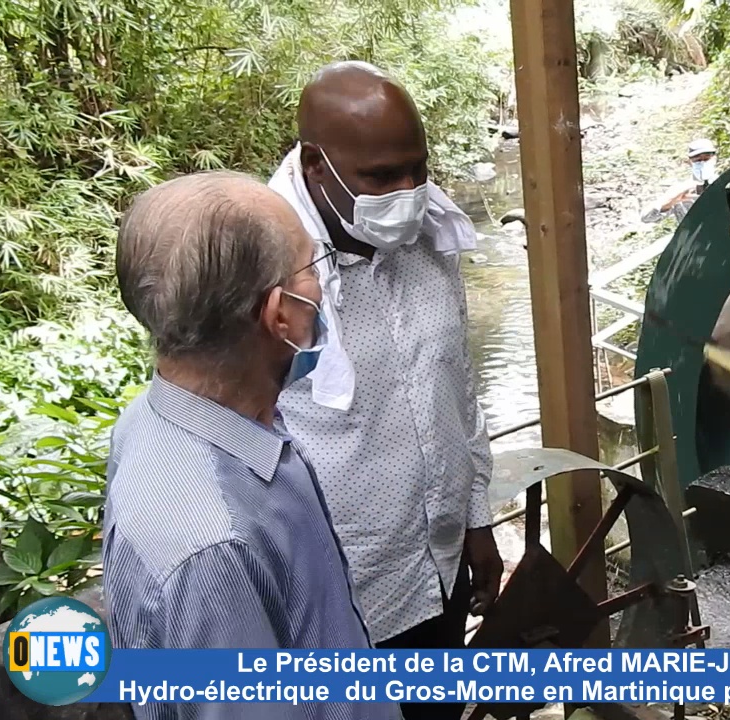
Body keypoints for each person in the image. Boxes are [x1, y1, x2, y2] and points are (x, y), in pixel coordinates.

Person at [103, 171, 401, 720]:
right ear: (279, 314)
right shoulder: (212, 549)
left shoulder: (161, 421)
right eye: (312, 268)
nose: (322, 286)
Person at [267, 61, 502, 720]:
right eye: (380, 177)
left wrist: (476, 521)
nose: (407, 190)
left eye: (417, 169)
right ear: (316, 164)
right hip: (341, 596)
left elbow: (459, 388)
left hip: (441, 567)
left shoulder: (431, 240)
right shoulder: (264, 270)